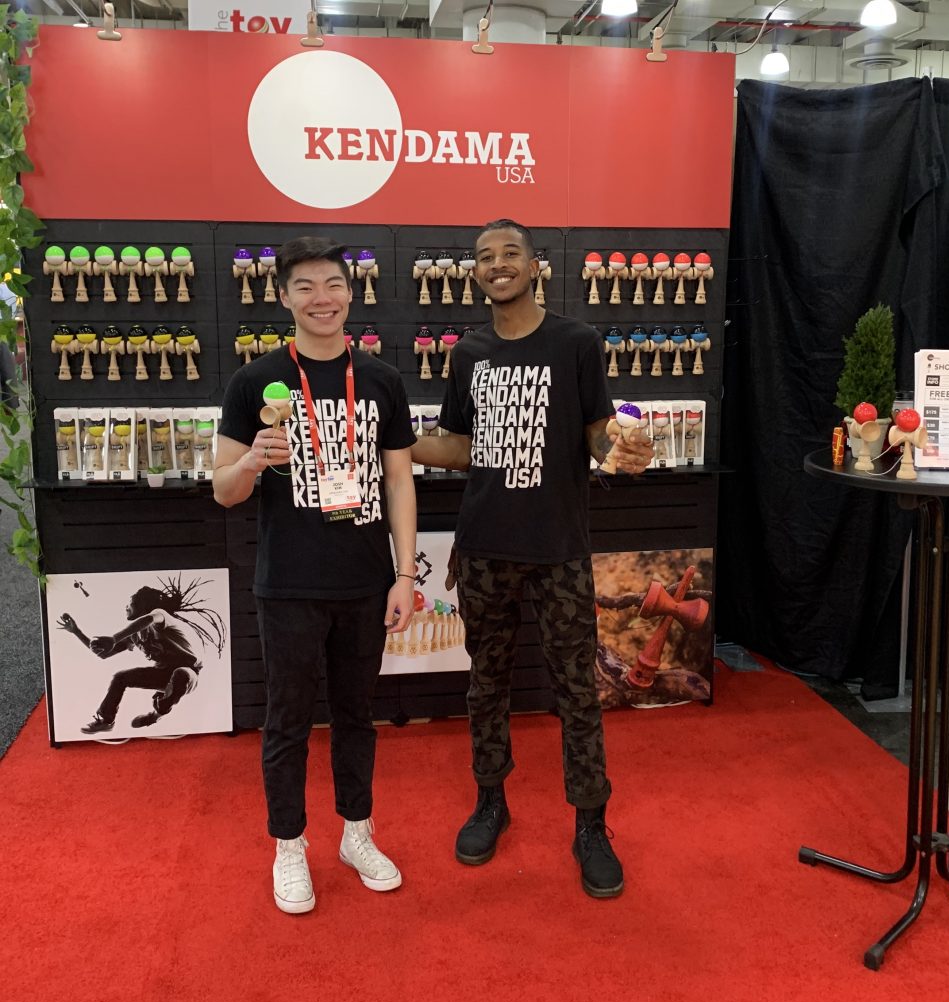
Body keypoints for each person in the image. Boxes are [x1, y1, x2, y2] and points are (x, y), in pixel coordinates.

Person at [412, 219, 654, 899]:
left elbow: (598, 435)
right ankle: (490, 801)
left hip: (558, 550)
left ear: (534, 265)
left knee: (577, 689)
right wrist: (388, 443)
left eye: (510, 253)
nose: (498, 264)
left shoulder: (577, 342)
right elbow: (461, 447)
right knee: (485, 683)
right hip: (483, 548)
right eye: (486, 257)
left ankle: (591, 823)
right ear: (475, 273)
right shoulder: (468, 354)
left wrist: (623, 450)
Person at [214, 236, 417, 915]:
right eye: (304, 286)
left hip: (365, 580)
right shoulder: (254, 382)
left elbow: (398, 479)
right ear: (283, 297)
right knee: (288, 720)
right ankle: (289, 844)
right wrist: (252, 462)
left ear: (350, 294)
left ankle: (357, 833)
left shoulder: (382, 379)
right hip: (289, 583)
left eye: (332, 284)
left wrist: (404, 574)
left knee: (358, 715)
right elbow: (223, 490)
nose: (321, 298)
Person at [57, 576, 226, 733]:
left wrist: (114, 638)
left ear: (141, 605)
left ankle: (156, 714)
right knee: (120, 678)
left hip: (188, 674)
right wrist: (77, 632)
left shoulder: (160, 615)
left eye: (130, 603)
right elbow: (102, 654)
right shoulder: (134, 635)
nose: (126, 607)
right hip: (161, 675)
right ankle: (106, 720)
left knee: (180, 673)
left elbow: (148, 620)